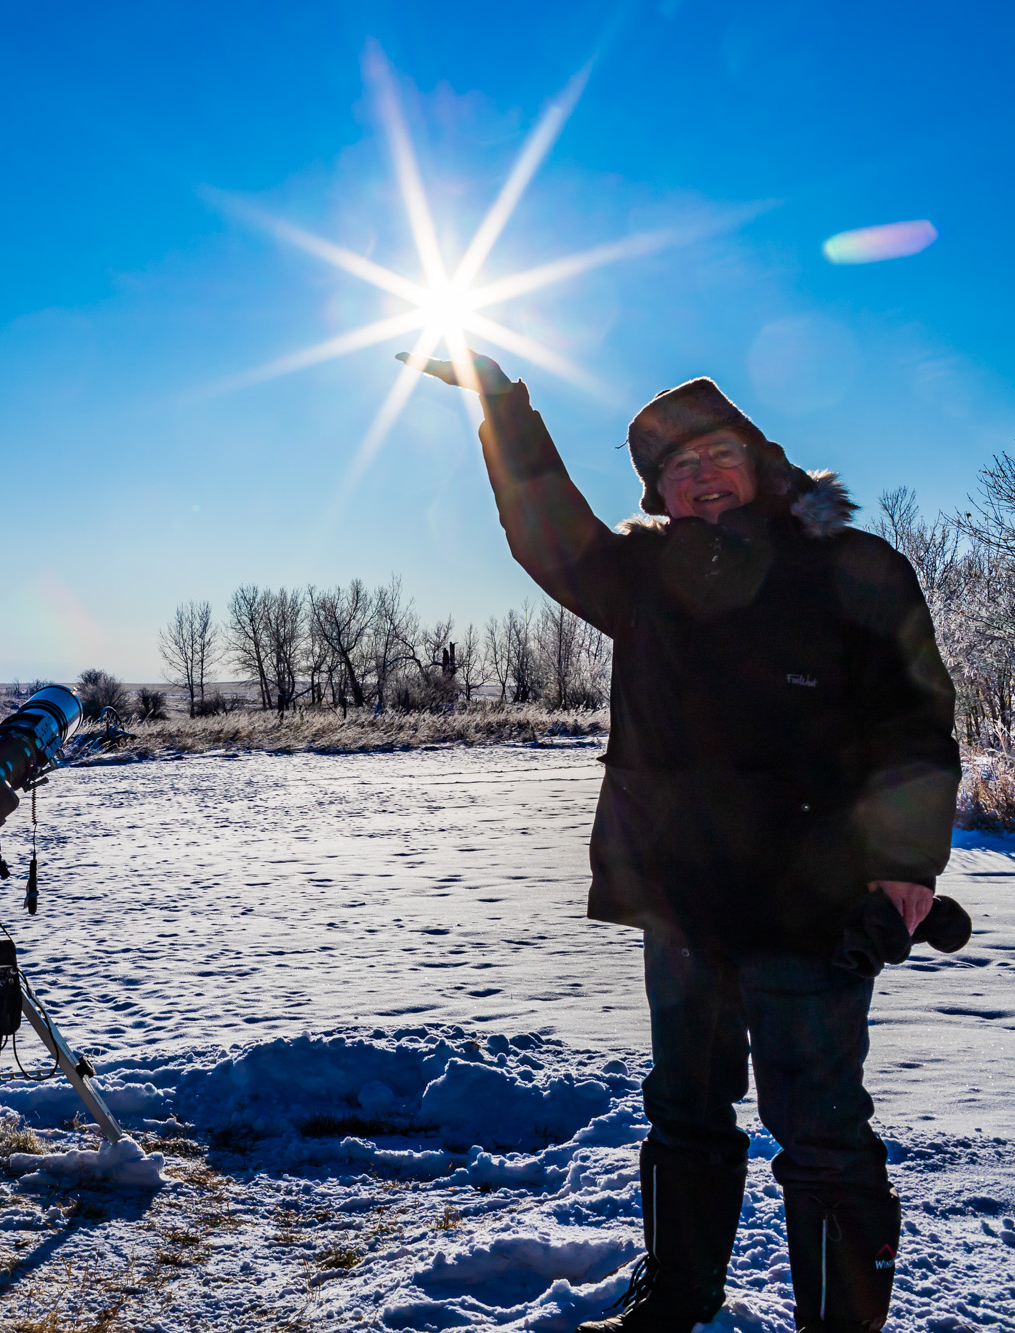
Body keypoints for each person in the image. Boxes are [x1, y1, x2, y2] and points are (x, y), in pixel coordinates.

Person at [411, 352, 960, 1333]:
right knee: (683, 1113)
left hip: (814, 901)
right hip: (680, 900)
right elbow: (546, 531)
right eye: (674, 468)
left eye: (715, 454)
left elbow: (914, 719)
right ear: (657, 492)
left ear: (755, 459)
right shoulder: (642, 577)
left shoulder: (852, 569)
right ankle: (674, 1302)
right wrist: (501, 408)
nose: (699, 476)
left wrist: (903, 863)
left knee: (821, 1133)